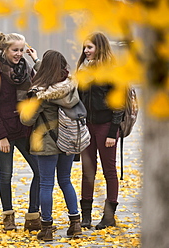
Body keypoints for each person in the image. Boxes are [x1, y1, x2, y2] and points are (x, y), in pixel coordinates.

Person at [0, 32, 40, 232]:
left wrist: (36, 60)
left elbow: (40, 87)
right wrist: (2, 136)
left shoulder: (26, 70)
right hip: (3, 131)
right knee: (6, 174)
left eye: (22, 50)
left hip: (23, 129)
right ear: (5, 50)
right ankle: (8, 217)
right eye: (15, 50)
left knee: (39, 171)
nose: (19, 54)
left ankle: (32, 216)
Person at [20, 50, 82, 241]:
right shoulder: (70, 87)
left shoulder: (40, 93)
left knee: (46, 184)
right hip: (69, 139)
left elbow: (27, 120)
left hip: (46, 141)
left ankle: (46, 228)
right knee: (65, 180)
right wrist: (37, 59)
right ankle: (75, 224)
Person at [76, 32, 124, 230]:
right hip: (86, 126)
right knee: (88, 171)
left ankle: (109, 216)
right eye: (85, 47)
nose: (86, 51)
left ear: (100, 48)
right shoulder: (82, 70)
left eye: (90, 47)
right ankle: (85, 215)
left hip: (106, 126)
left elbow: (119, 104)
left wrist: (113, 132)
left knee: (109, 171)